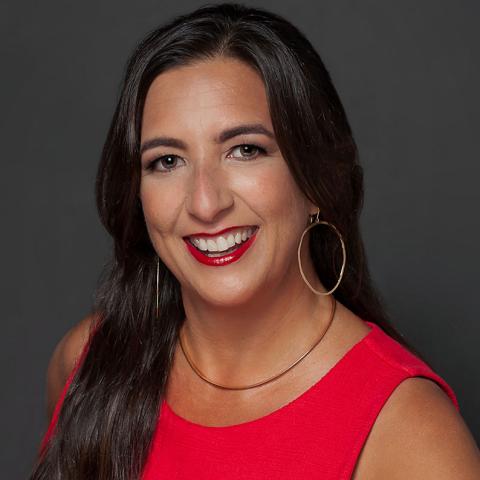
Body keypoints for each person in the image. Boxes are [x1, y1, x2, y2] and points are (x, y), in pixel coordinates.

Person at [30, 3, 480, 479]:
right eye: (166, 161)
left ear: (316, 182)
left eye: (245, 150)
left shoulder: (408, 432)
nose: (205, 203)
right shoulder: (89, 362)